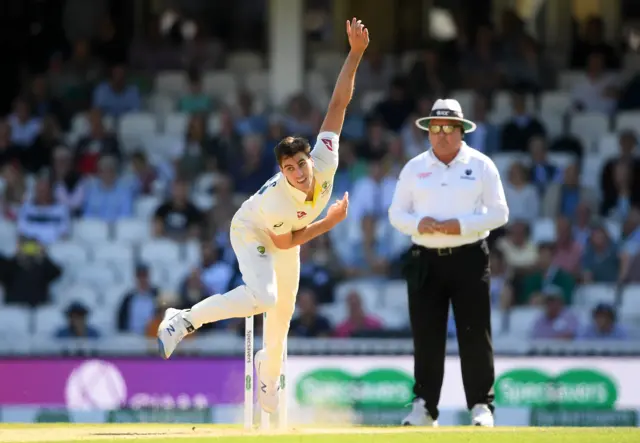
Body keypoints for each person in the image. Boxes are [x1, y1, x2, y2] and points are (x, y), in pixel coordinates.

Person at [157, 17, 370, 414]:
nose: (299, 172)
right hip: (255, 228)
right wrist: (329, 223)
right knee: (264, 296)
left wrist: (355, 53)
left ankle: (268, 377)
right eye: (289, 168)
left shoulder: (325, 158)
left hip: (291, 231)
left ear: (310, 158)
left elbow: (338, 103)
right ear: (282, 170)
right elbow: (285, 242)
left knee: (283, 313)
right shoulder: (277, 200)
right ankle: (184, 319)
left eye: (301, 164)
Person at [388, 98, 509, 427]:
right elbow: (396, 214)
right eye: (436, 129)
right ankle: (425, 406)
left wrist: (461, 225)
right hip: (425, 259)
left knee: (474, 333)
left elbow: (500, 213)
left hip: (469, 255)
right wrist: (418, 224)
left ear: (461, 131)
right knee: (426, 335)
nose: (441, 135)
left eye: (449, 129)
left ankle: (481, 406)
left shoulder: (481, 165)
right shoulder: (414, 168)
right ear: (428, 132)